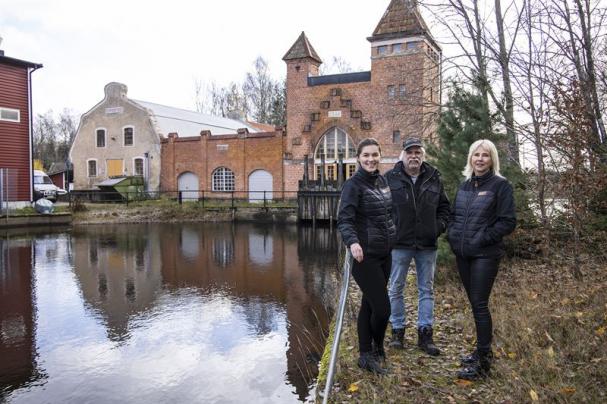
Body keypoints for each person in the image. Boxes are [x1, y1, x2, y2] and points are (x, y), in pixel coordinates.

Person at [447, 139, 516, 380]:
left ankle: (484, 363)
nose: (480, 159)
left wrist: (482, 239)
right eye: (476, 154)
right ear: (470, 158)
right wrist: (454, 237)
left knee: (480, 304)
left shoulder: (500, 186)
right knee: (475, 304)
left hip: (485, 255)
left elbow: (508, 222)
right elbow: (454, 215)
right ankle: (480, 352)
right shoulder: (465, 185)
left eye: (485, 155)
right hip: (464, 254)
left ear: (492, 159)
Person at [385, 137, 450, 355]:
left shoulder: (434, 178)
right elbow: (382, 209)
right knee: (395, 289)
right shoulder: (390, 179)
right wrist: (391, 229)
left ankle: (425, 334)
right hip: (399, 244)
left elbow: (445, 209)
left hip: (427, 245)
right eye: (409, 152)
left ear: (423, 156)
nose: (414, 156)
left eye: (417, 152)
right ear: (402, 155)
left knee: (426, 290)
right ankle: (397, 332)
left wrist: (436, 227)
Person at [337, 138, 396, 375]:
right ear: (358, 158)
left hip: (385, 252)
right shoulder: (353, 185)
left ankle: (368, 353)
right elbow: (345, 219)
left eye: (374, 155)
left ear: (380, 156)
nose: (371, 159)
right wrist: (352, 242)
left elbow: (389, 213)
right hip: (365, 256)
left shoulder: (382, 180)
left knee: (368, 304)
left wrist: (395, 232)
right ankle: (374, 348)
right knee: (383, 309)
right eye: (366, 156)